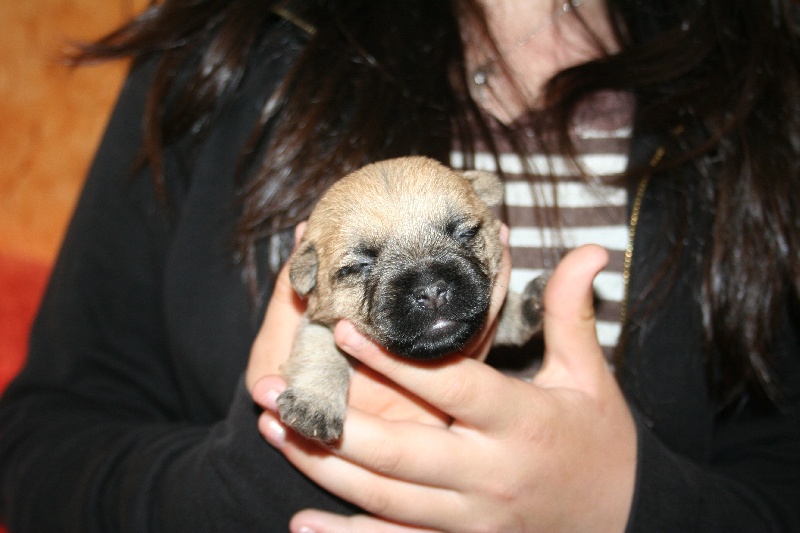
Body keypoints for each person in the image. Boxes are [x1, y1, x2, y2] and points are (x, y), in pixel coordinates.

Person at [1, 0, 799, 531]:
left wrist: (630, 505)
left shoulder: (771, 65)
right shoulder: (228, 36)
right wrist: (259, 477)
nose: (426, 283)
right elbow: (39, 451)